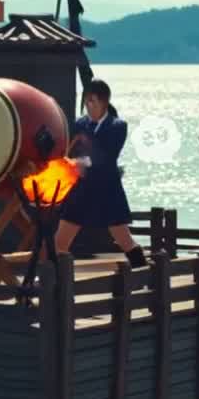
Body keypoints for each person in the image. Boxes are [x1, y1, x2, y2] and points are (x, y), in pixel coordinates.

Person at [55, 79, 146, 267]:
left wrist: (81, 162)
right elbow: (68, 151)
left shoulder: (118, 126)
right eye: (86, 101)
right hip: (81, 191)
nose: (88, 105)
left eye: (92, 101)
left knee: (124, 240)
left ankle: (144, 273)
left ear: (104, 102)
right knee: (60, 242)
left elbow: (107, 155)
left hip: (107, 191)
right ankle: (51, 278)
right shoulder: (78, 124)